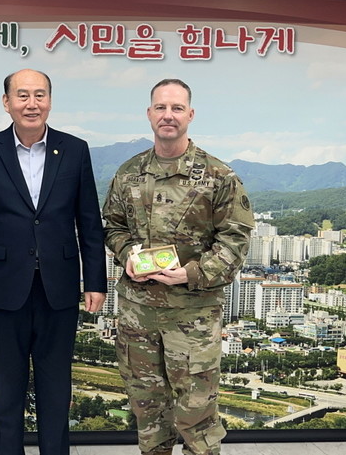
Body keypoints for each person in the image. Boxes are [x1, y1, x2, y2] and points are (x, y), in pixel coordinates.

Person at [0, 68, 107, 455]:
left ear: (50, 101)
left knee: (56, 388)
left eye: (40, 95)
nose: (31, 103)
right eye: (22, 95)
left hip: (59, 285)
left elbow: (89, 222)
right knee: (7, 388)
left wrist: (95, 281)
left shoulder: (75, 149)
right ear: (6, 102)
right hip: (3, 285)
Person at [102, 79, 254, 455]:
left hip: (193, 314)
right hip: (138, 314)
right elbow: (112, 226)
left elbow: (235, 241)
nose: (168, 115)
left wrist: (192, 273)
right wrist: (128, 255)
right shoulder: (129, 172)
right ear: (149, 113)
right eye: (161, 107)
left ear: (190, 114)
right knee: (148, 412)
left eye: (176, 108)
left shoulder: (218, 176)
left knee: (197, 416)